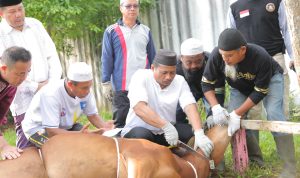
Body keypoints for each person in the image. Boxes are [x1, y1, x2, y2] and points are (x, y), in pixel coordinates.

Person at [201, 28, 296, 178]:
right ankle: (253, 161)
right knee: (231, 122)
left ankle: (290, 167)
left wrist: (238, 113)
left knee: (274, 114)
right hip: (240, 87)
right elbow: (206, 84)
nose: (225, 59)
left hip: (270, 81)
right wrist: (216, 107)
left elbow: (260, 91)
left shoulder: (260, 56)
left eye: (229, 55)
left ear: (242, 50)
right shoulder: (217, 55)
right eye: (222, 55)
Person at [227, 0, 294, 167]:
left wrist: (294, 58)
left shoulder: (276, 2)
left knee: (277, 112)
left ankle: (287, 159)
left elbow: (287, 31)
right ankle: (256, 161)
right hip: (247, 64)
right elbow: (230, 35)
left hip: (274, 59)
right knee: (251, 112)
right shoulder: (235, 8)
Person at [121, 49, 213, 158]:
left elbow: (189, 105)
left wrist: (199, 133)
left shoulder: (179, 80)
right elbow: (139, 108)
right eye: (164, 72)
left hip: (166, 134)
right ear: (152, 68)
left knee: (190, 134)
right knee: (142, 136)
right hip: (138, 131)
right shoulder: (141, 76)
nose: (169, 77)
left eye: (172, 72)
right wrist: (165, 126)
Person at [0, 0, 62, 149]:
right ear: (1, 13)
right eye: (12, 12)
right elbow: (7, 71)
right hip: (22, 97)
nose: (18, 14)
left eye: (20, 9)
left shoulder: (35, 24)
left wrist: (52, 84)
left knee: (54, 136)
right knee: (27, 142)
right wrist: (36, 87)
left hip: (49, 90)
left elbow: (52, 55)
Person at [21, 62, 114, 148]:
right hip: (38, 129)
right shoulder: (51, 94)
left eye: (89, 87)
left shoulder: (85, 92)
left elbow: (93, 115)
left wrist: (106, 128)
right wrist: (78, 135)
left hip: (65, 127)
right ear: (70, 84)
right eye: (84, 88)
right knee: (66, 149)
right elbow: (52, 131)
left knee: (89, 143)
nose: (88, 91)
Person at [101, 0, 156, 128]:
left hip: (144, 86)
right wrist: (105, 82)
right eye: (128, 6)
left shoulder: (146, 30)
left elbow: (153, 57)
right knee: (120, 123)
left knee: (144, 122)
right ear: (121, 8)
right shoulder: (111, 31)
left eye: (135, 6)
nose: (132, 9)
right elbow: (106, 58)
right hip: (122, 87)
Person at [176, 38, 225, 124]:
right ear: (181, 58)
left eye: (198, 61)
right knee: (176, 114)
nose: (194, 66)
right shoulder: (175, 68)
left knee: (217, 118)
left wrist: (212, 114)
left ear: (203, 56)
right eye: (189, 63)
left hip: (210, 89)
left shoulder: (213, 62)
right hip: (188, 90)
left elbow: (219, 92)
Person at [0, 46, 31, 160]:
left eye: (27, 72)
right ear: (4, 68)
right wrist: (3, 146)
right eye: (19, 74)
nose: (24, 78)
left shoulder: (12, 85)